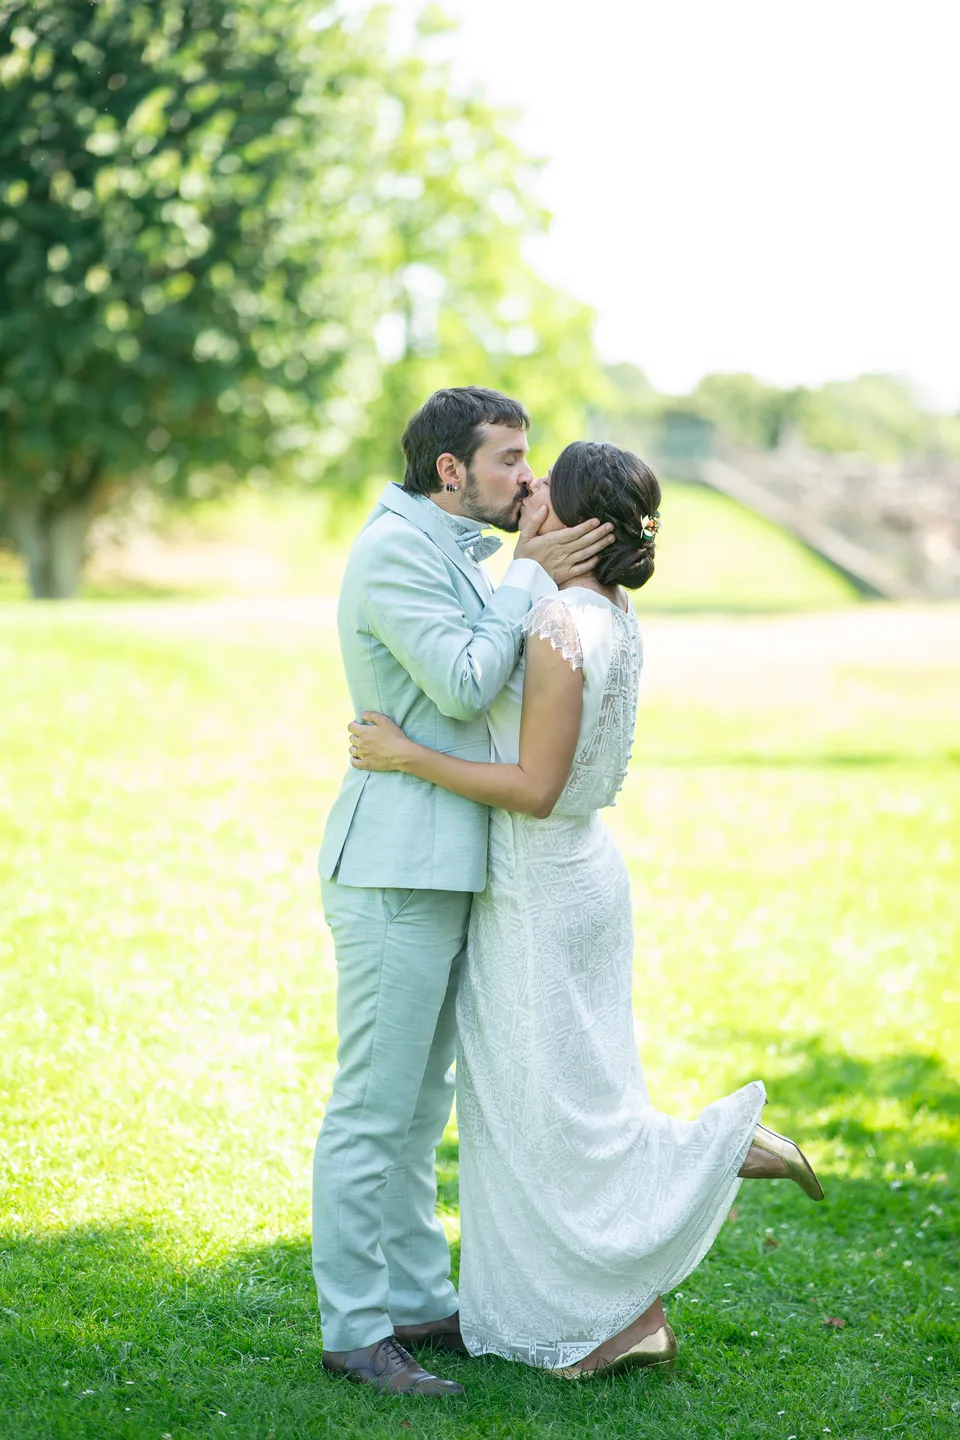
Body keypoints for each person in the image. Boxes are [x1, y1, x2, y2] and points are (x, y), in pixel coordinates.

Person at [348, 439, 825, 1380]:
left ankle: (720, 1149)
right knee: (571, 1105)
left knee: (550, 1120)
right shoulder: (608, 610)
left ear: (577, 521)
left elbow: (532, 786)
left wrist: (408, 756)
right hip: (584, 876)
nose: (525, 491)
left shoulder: (559, 621)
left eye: (541, 487)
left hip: (539, 886)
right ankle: (628, 1321)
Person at [314, 389, 616, 1398]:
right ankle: (355, 1329)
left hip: (447, 861)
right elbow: (461, 683)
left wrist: (520, 563)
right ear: (451, 470)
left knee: (418, 1107)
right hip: (396, 865)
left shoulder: (453, 548)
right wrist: (528, 574)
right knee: (373, 1107)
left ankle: (411, 1300)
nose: (529, 480)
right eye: (511, 463)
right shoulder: (394, 551)